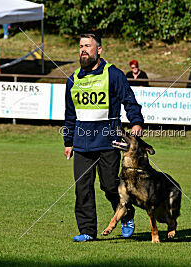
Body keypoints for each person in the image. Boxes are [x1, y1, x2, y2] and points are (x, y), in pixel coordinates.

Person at [63, 33, 144, 242]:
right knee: (82, 188)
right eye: (81, 46)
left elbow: (129, 100)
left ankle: (126, 214)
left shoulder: (113, 74)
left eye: (88, 46)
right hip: (81, 143)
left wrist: (136, 121)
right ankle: (87, 231)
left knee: (109, 186)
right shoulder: (72, 79)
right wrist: (68, 142)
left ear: (98, 50)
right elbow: (70, 114)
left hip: (108, 141)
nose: (83, 50)